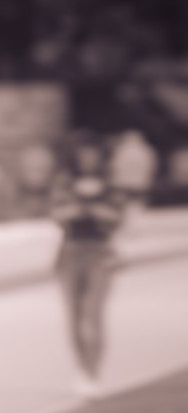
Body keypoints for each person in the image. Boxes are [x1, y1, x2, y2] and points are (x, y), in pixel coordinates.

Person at [49, 132, 126, 398]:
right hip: (70, 252)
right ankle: (81, 368)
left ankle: (94, 371)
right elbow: (57, 214)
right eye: (83, 154)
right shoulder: (65, 182)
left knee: (94, 315)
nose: (88, 159)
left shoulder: (110, 184)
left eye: (92, 154)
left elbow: (116, 216)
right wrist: (84, 208)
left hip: (99, 252)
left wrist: (86, 208)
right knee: (74, 317)